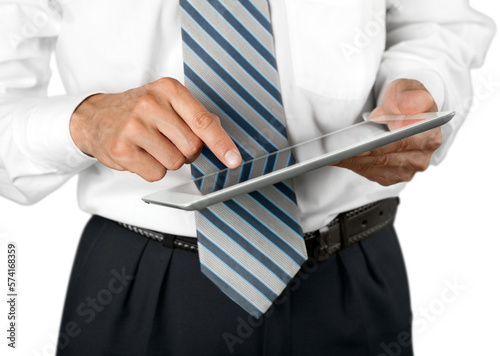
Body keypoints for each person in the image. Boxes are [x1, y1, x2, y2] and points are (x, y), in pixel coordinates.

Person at [0, 0, 494, 355]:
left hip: (353, 273)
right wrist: (84, 122)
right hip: (142, 284)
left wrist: (421, 85)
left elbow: (435, 20)